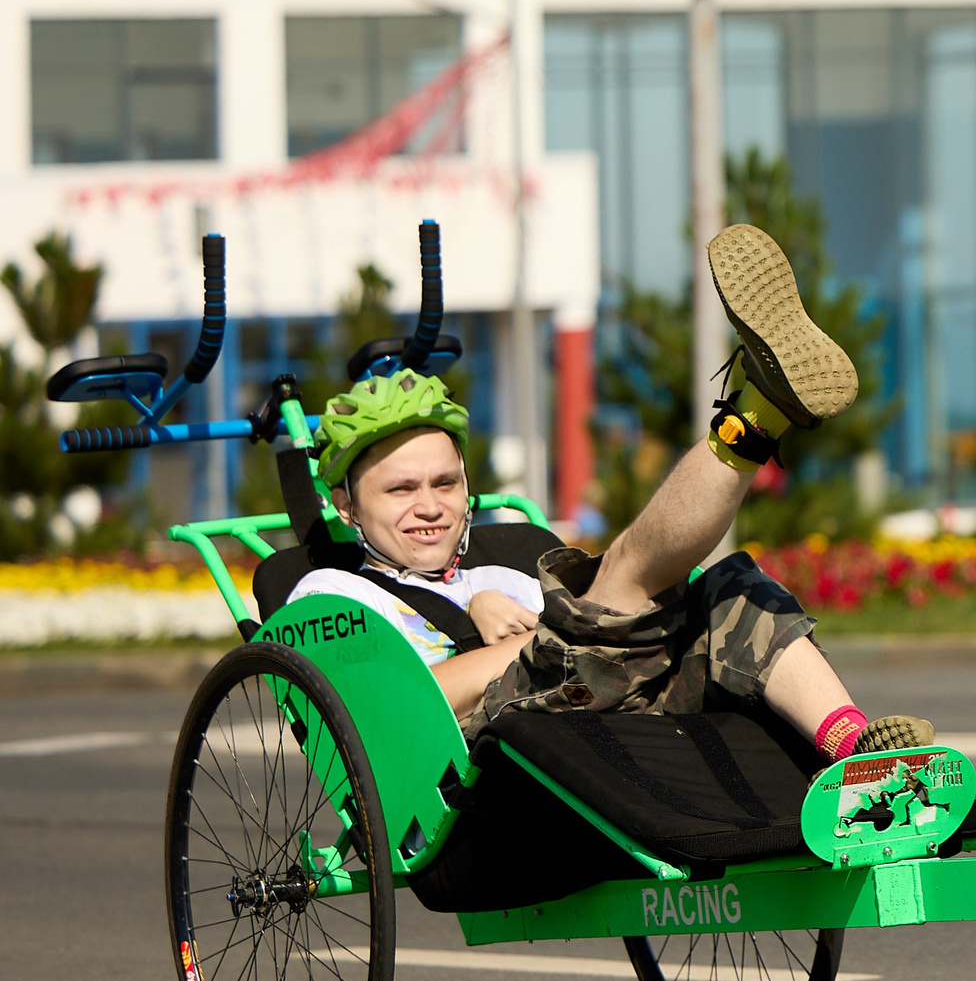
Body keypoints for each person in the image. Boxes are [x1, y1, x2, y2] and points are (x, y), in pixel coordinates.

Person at [287, 222, 927, 764]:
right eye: (400, 489)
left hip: (608, 711)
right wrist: (507, 635)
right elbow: (386, 716)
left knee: (727, 589)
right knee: (619, 583)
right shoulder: (330, 594)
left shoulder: (501, 571)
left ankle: (855, 752)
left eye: (445, 482)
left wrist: (499, 602)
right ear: (346, 507)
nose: (429, 505)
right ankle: (755, 416)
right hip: (490, 761)